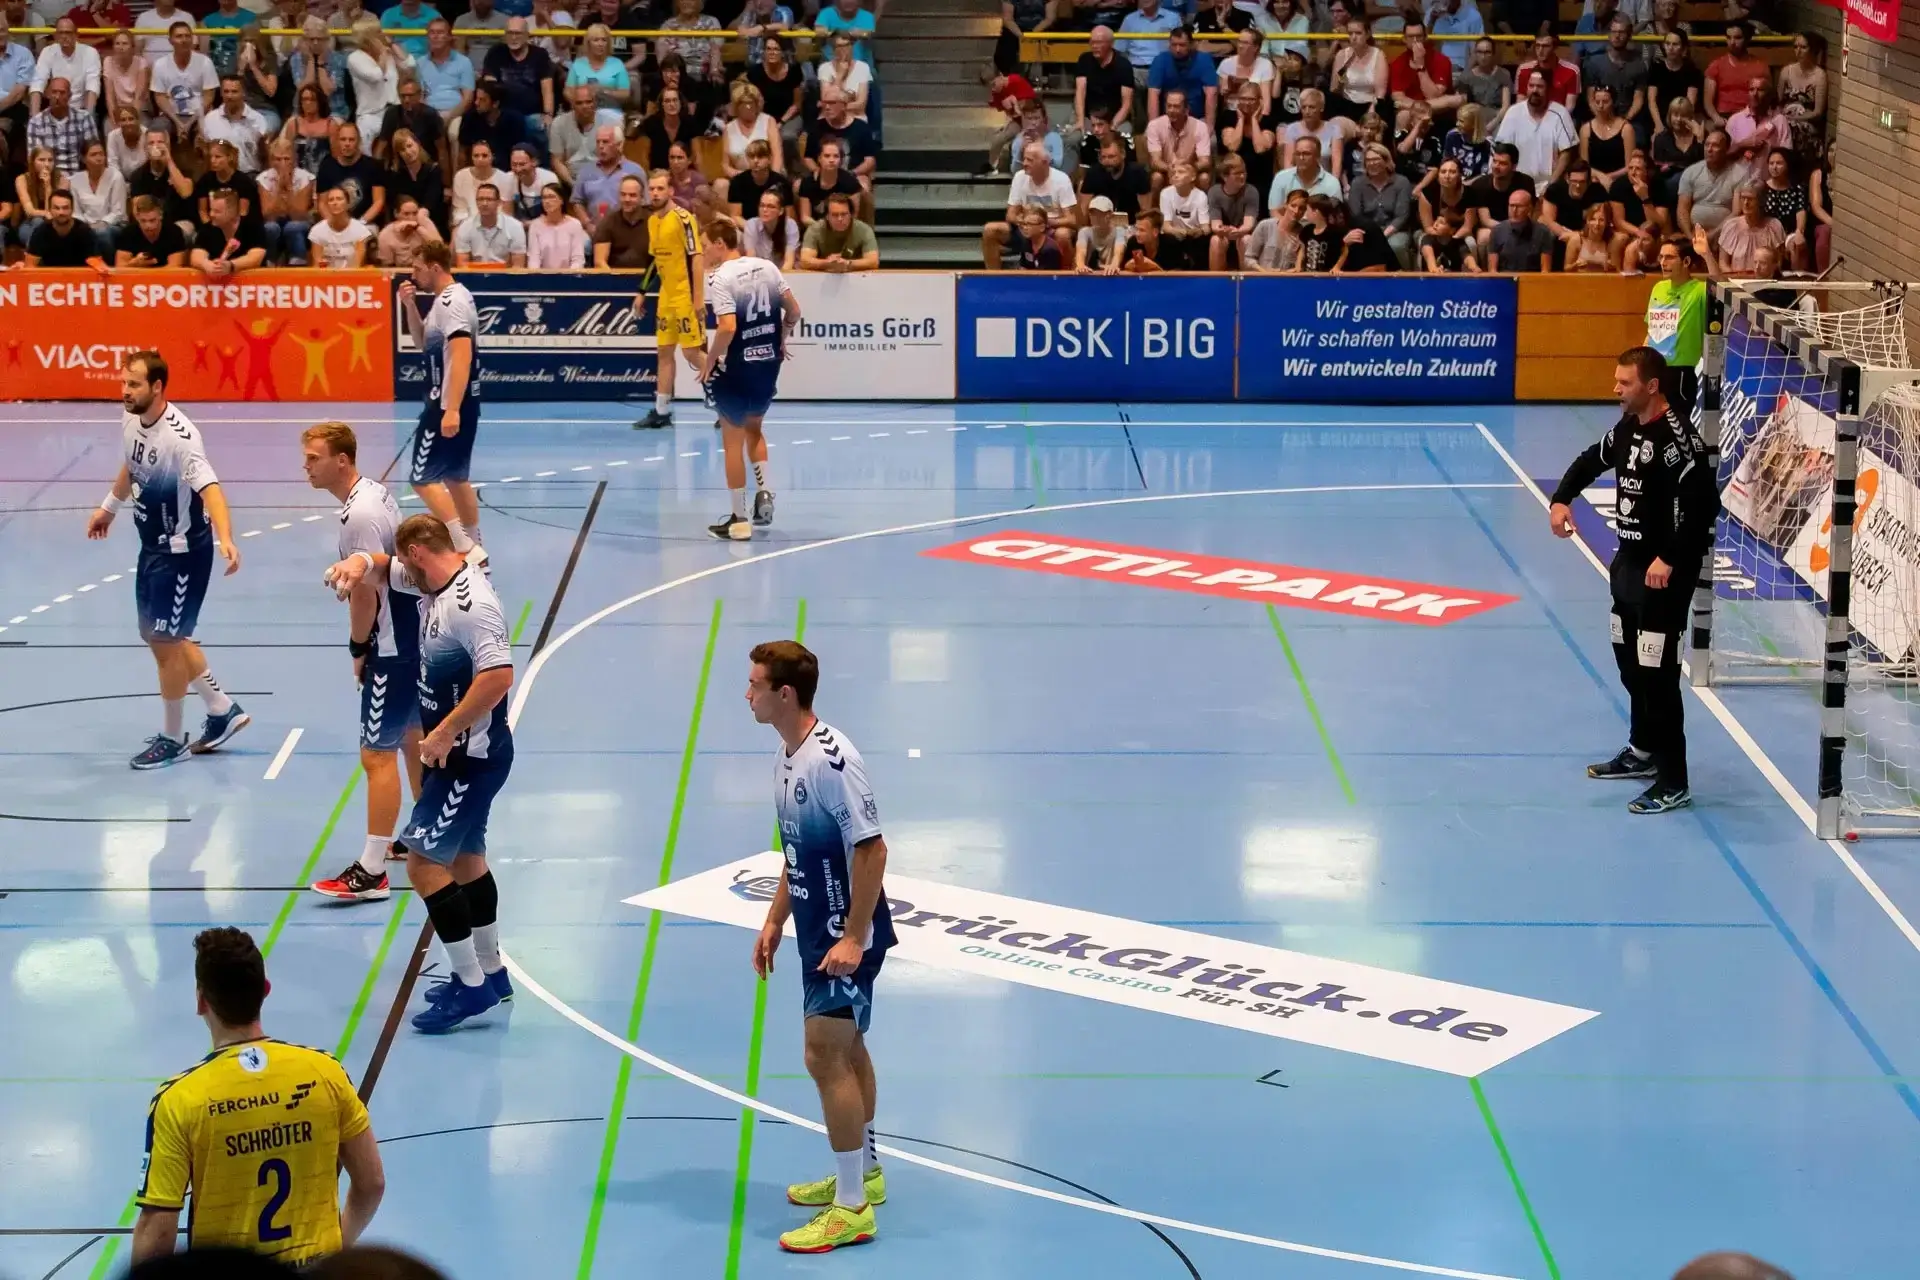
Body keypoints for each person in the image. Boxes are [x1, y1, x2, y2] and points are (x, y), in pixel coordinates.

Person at [747, 639, 894, 1255]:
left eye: (754, 684)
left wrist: (854, 938)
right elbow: (798, 849)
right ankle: (866, 1172)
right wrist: (775, 918)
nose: (746, 694)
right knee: (848, 1047)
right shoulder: (788, 755)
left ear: (786, 693)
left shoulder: (831, 761)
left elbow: (872, 849)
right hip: (815, 930)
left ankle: (852, 1207)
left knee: (822, 1056)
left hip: (843, 935)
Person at [129, 928, 383, 1264]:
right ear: (265, 991)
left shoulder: (181, 1099)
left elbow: (158, 1230)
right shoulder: (325, 1072)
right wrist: (336, 1250)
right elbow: (371, 1182)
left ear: (201, 1000)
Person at [354, 513, 516, 1033]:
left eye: (407, 562)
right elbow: (383, 568)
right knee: (467, 858)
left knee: (422, 864)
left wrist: (445, 731)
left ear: (419, 552)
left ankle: (469, 985)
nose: (405, 572)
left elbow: (498, 675)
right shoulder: (434, 576)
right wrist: (354, 564)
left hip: (466, 758)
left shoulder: (473, 606)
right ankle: (492, 971)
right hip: (461, 755)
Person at [1550, 346, 1719, 815]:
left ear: (1651, 386)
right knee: (1629, 666)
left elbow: (1706, 507)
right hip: (1626, 568)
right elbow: (1590, 459)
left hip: (1663, 577)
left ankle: (1674, 781)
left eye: (1624, 383)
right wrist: (1562, 499)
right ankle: (1643, 751)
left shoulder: (1678, 441)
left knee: (1659, 678)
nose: (1615, 390)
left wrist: (1668, 556)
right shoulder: (1628, 428)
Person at [86, 352, 247, 771]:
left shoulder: (181, 438)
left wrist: (225, 538)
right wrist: (109, 506)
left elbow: (211, 488)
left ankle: (173, 739)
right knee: (163, 639)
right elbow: (132, 463)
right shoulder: (130, 418)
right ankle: (220, 708)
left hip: (181, 555)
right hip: (152, 548)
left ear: (158, 387)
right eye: (124, 382)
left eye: (134, 384)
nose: (125, 390)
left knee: (165, 642)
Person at [301, 424, 425, 903]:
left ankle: (372, 870)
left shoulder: (361, 516)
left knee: (377, 754)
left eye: (314, 458)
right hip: (416, 638)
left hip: (394, 645)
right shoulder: (372, 493)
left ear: (343, 461)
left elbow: (366, 594)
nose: (305, 466)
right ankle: (423, 834)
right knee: (414, 738)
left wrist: (359, 648)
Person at [699, 218, 799, 540]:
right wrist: (782, 336)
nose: (702, 251)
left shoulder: (720, 278)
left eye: (705, 244)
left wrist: (711, 359)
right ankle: (765, 493)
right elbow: (794, 311)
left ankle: (739, 520)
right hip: (769, 363)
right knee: (755, 428)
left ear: (719, 243)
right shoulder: (767, 267)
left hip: (739, 365)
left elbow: (727, 327)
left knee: (732, 440)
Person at [396, 240, 491, 569]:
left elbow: (462, 351)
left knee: (421, 478)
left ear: (435, 267)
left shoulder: (451, 301)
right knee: (455, 476)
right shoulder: (447, 300)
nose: (413, 274)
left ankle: (465, 546)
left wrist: (450, 408)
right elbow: (423, 342)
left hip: (446, 401)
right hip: (462, 400)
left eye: (417, 267)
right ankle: (477, 549)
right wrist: (410, 306)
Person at [982, 139, 1076, 269]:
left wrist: (1043, 222)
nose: (1024, 163)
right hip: (1025, 227)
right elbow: (1010, 215)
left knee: (1063, 235)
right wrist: (1024, 221)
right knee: (990, 230)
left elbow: (1072, 220)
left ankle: (1065, 277)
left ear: (1044, 162)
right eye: (1024, 159)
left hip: (1050, 228)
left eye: (1029, 160)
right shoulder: (1020, 177)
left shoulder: (1061, 179)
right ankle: (994, 278)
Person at [26, 74, 97, 173]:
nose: (57, 97)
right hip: (48, 176)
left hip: (78, 176)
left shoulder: (84, 118)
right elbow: (33, 158)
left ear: (70, 96)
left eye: (62, 93)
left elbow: (94, 153)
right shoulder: (36, 122)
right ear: (47, 95)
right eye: (54, 92)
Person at [799, 191, 879, 271]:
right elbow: (804, 261)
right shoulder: (815, 230)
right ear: (827, 216)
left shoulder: (864, 230)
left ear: (851, 215)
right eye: (834, 215)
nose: (840, 219)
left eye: (844, 214)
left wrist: (847, 263)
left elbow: (873, 261)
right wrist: (827, 263)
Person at [25, 188, 99, 265]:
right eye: (56, 208)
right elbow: (29, 266)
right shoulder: (40, 232)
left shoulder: (85, 232)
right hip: (51, 276)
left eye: (65, 208)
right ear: (50, 210)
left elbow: (96, 266)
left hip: (79, 276)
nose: (61, 212)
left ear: (72, 209)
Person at [1487, 188, 1553, 272]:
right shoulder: (1497, 231)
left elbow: (1545, 270)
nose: (1514, 210)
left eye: (1519, 206)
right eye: (1511, 206)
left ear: (1529, 208)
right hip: (1505, 280)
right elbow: (1492, 270)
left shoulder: (1543, 232)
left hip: (1531, 280)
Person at [116, 194, 190, 266]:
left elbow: (175, 269)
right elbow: (120, 267)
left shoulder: (173, 232)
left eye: (152, 220)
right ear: (137, 217)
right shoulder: (128, 233)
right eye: (143, 221)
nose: (148, 226)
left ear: (160, 215)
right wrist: (134, 263)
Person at [592, 172, 648, 266]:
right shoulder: (607, 222)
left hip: (648, 278)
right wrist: (612, 280)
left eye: (632, 195)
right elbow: (599, 262)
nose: (627, 199)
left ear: (642, 198)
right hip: (615, 278)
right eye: (623, 194)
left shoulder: (654, 221)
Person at [1076, 193, 1129, 272]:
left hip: (1111, 277)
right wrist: (1081, 266)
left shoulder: (1120, 231)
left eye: (1100, 213)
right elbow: (1081, 251)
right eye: (1092, 213)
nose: (1095, 217)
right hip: (1089, 275)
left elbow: (1119, 252)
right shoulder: (1084, 232)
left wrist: (1114, 265)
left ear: (1110, 215)